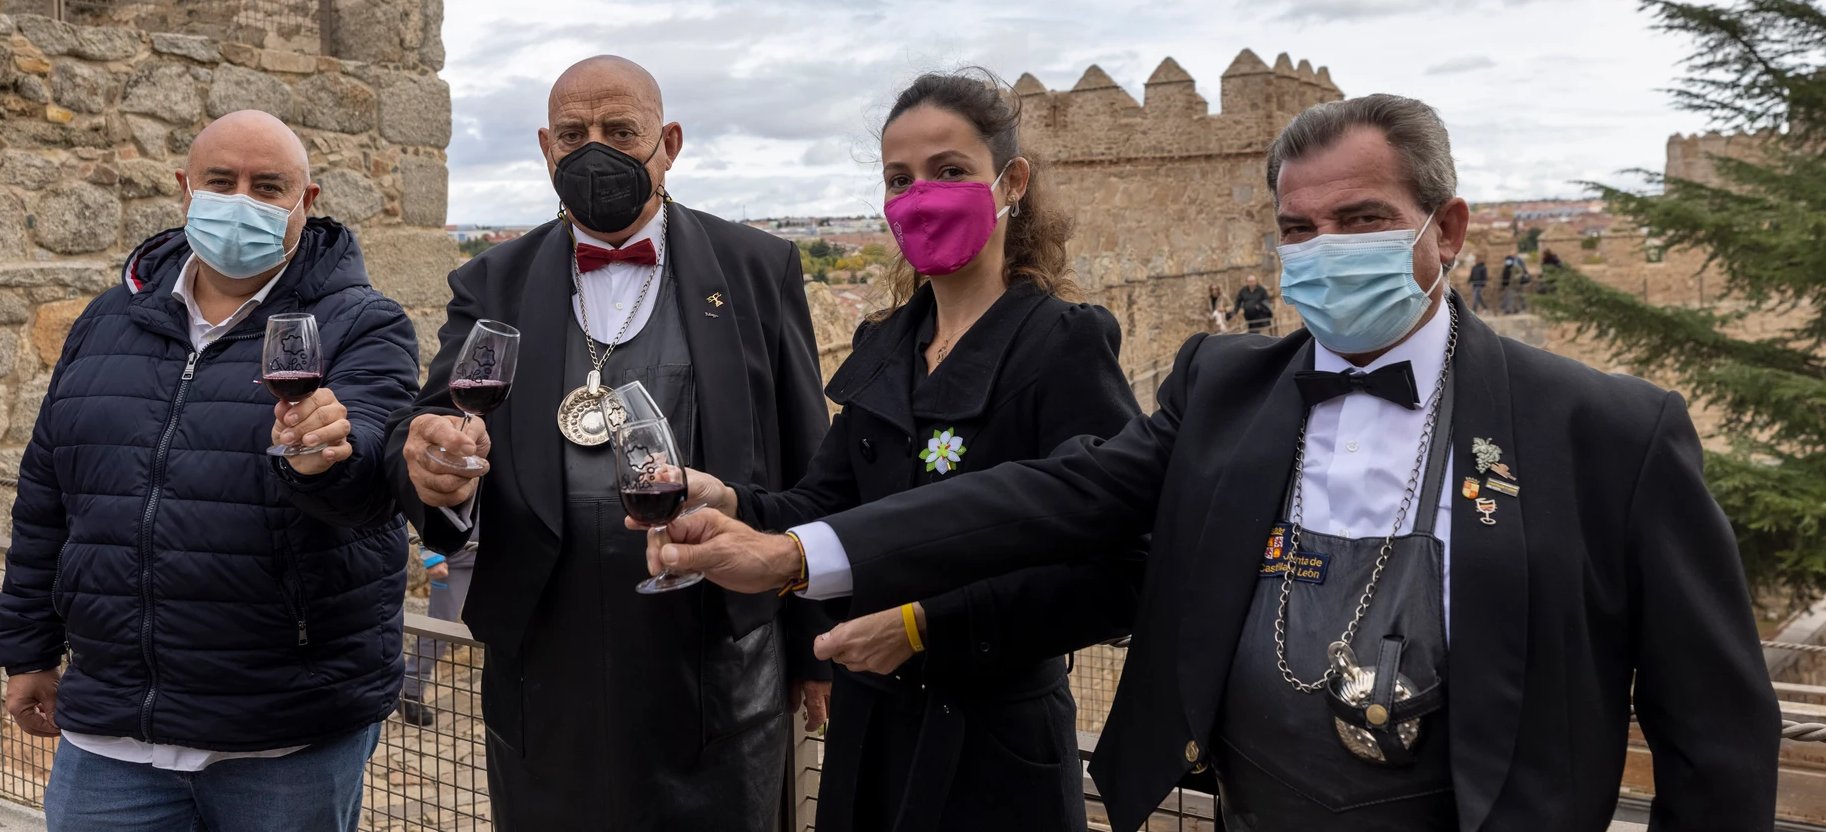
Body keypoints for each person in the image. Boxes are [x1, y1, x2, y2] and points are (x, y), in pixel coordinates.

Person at [652, 94, 1781, 832]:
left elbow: (1714, 733)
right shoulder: (1225, 386)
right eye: (1298, 228)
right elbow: (1055, 496)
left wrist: (914, 620)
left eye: (1362, 217)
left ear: (1446, 228)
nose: (1324, 250)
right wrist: (798, 552)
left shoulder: (1605, 430)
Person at [667, 71, 1146, 831]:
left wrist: (927, 625)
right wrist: (732, 503)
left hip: (995, 751)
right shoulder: (887, 345)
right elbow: (824, 502)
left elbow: (1121, 570)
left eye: (950, 171)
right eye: (900, 178)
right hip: (872, 736)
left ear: (1010, 182)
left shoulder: (1060, 345)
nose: (920, 194)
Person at [386, 55, 833, 830]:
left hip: (718, 664)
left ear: (670, 142)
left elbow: (806, 454)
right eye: (574, 133)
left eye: (621, 130)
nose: (595, 148)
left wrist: (811, 644)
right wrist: (433, 470)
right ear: (546, 147)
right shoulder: (491, 279)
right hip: (543, 665)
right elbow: (434, 431)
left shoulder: (759, 266)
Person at [0, 110, 421, 832]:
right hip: (112, 734)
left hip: (287, 734)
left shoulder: (363, 323)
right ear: (185, 190)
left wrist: (323, 462)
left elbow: (374, 486)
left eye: (269, 186)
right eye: (222, 182)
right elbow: (47, 496)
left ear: (306, 201)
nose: (242, 201)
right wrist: (28, 648)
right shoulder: (107, 319)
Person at [397, 529, 477, 729]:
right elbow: (425, 509)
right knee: (437, 632)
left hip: (496, 557)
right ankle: (411, 694)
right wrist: (432, 556)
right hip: (453, 563)